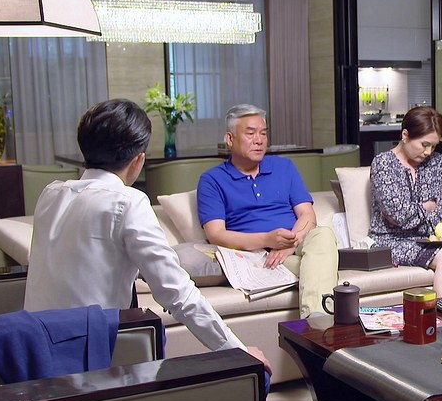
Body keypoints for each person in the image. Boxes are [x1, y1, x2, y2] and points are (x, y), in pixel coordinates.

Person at [24, 99, 271, 375]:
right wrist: (237, 350)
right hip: (86, 357)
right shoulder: (127, 202)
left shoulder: (51, 193)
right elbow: (177, 293)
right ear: (138, 159)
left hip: (28, 350)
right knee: (254, 374)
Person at [197, 104, 338, 318]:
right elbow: (216, 234)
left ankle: (316, 324)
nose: (259, 140)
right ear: (230, 139)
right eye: (250, 133)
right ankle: (319, 323)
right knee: (317, 265)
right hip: (255, 255)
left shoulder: (284, 167)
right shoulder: (212, 180)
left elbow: (308, 215)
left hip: (293, 244)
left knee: (323, 234)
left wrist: (290, 244)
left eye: (263, 133)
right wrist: (267, 239)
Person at [369, 106, 442, 298]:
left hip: (430, 238)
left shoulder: (438, 162)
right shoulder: (383, 164)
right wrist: (427, 206)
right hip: (391, 240)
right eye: (424, 144)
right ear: (405, 135)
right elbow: (397, 215)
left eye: (434, 146)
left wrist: (411, 214)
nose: (428, 152)